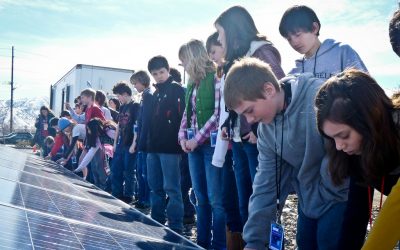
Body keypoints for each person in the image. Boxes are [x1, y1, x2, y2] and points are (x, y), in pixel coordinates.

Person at [224, 57, 349, 250]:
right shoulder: (266, 131)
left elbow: (342, 155)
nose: (249, 120)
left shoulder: (319, 100)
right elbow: (265, 186)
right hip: (307, 200)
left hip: (341, 197)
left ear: (269, 90)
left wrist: (322, 189)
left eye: (250, 110)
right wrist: (255, 243)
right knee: (305, 243)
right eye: (244, 115)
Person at [214, 5, 285, 230]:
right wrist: (229, 123)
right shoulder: (237, 58)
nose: (218, 39)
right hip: (240, 140)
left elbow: (278, 93)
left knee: (262, 207)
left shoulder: (261, 52)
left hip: (258, 141)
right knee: (246, 205)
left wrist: (256, 130)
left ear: (232, 31)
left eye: (220, 33)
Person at [315, 69, 400, 250]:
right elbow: (356, 214)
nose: (339, 146)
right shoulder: (356, 152)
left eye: (344, 135)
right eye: (332, 138)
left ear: (369, 120)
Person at [178, 39, 224, 249]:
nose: (183, 66)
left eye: (184, 61)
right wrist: (182, 137)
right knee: (200, 197)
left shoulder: (216, 77)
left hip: (210, 147)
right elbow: (188, 114)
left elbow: (217, 114)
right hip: (193, 147)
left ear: (193, 58)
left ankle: (219, 244)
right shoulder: (191, 83)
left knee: (215, 199)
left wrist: (196, 140)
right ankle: (202, 242)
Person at [207, 31, 244, 249]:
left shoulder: (238, 67)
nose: (212, 56)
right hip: (228, 143)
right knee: (229, 201)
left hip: (238, 144)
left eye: (214, 49)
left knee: (241, 202)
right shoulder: (223, 72)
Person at [146, 55, 185, 233]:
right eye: (155, 74)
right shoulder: (154, 93)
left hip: (171, 147)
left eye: (162, 72)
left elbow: (183, 118)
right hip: (153, 147)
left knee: (172, 188)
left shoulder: (178, 90)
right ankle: (157, 221)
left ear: (168, 70)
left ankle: (176, 225)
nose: (159, 76)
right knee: (155, 187)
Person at [279, 5, 368, 78]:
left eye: (297, 34)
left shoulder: (342, 52)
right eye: (289, 39)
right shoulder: (295, 71)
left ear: (314, 28)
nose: (294, 42)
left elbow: (365, 89)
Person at [111, 81, 139, 203]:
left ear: (125, 94)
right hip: (120, 143)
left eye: (119, 96)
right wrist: (115, 142)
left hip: (130, 142)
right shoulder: (122, 107)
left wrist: (134, 143)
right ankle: (117, 193)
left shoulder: (135, 106)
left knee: (129, 170)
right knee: (116, 169)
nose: (118, 99)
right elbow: (118, 125)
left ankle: (129, 195)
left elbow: (138, 125)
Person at [130, 70, 153, 209]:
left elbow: (147, 121)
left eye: (136, 83)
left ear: (142, 81)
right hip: (141, 141)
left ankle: (146, 200)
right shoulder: (144, 96)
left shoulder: (149, 96)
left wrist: (142, 142)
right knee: (140, 172)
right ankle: (141, 198)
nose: (135, 87)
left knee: (145, 174)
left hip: (146, 142)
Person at [74, 118, 116, 189]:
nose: (89, 132)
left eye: (89, 129)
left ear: (95, 129)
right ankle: (103, 187)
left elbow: (120, 139)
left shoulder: (109, 131)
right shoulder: (98, 139)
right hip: (112, 153)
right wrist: (78, 169)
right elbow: (89, 155)